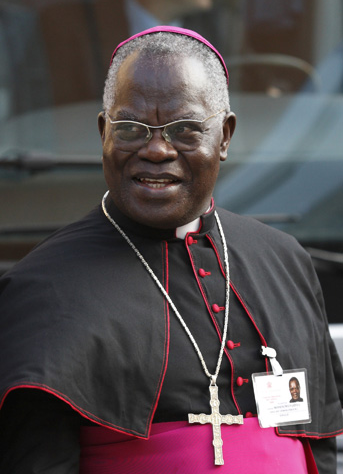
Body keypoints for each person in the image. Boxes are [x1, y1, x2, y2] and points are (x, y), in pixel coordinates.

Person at [0, 26, 342, 474]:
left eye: (184, 129)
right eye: (131, 128)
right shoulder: (41, 290)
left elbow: (318, 443)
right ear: (104, 133)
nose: (157, 149)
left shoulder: (285, 260)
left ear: (224, 136)